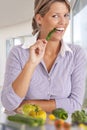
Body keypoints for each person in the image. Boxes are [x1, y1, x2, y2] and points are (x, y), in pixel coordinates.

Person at [1, 0, 87, 114]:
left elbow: (75, 105)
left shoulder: (76, 54)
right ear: (39, 19)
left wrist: (28, 104)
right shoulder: (18, 53)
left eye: (66, 15)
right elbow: (9, 103)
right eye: (55, 16)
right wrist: (31, 64)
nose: (63, 22)